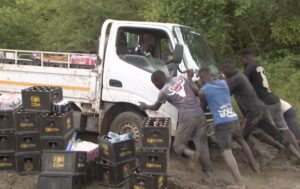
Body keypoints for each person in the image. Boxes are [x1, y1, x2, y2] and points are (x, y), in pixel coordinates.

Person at [138, 70, 213, 178]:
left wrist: (145, 106)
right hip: (200, 113)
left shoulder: (163, 91)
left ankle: (192, 154)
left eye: (155, 84)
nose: (156, 87)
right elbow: (197, 92)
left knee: (177, 145)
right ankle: (209, 175)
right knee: (202, 144)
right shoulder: (180, 78)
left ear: (160, 80)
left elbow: (155, 107)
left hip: (187, 116)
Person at [221, 60, 300, 161]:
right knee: (274, 133)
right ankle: (294, 154)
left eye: (224, 71)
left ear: (228, 70)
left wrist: (222, 81)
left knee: (241, 136)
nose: (223, 73)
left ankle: (257, 158)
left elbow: (224, 92)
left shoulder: (235, 79)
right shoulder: (241, 76)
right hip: (260, 109)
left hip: (252, 113)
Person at [198, 67, 258, 189]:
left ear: (200, 77)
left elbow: (203, 107)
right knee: (241, 140)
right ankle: (254, 165)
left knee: (226, 152)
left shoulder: (203, 91)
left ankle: (239, 184)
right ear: (211, 74)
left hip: (222, 123)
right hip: (234, 118)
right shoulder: (223, 83)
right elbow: (218, 88)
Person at [239, 49, 300, 151]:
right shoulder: (258, 65)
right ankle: (297, 150)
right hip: (274, 100)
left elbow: (242, 82)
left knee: (271, 130)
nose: (241, 62)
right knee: (285, 129)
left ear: (246, 58)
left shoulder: (249, 67)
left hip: (265, 102)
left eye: (241, 59)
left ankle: (283, 150)